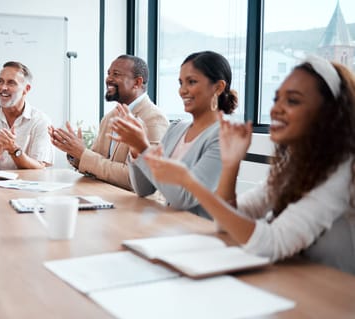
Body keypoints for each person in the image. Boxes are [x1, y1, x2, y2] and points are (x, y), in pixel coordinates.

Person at [144, 55, 355, 274]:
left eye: (292, 100)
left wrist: (189, 182)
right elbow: (224, 222)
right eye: (276, 99)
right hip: (300, 280)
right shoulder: (294, 166)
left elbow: (271, 243)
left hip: (336, 294)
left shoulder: (342, 171)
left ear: (328, 114)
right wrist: (230, 165)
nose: (276, 110)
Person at [110, 51, 238, 217]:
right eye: (180, 83)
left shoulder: (224, 137)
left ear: (218, 87)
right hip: (171, 228)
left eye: (191, 82)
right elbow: (144, 189)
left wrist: (143, 148)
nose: (182, 91)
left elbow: (183, 199)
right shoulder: (176, 128)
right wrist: (135, 150)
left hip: (202, 233)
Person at [48, 54, 168, 190]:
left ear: (137, 83)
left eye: (116, 74)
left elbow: (138, 180)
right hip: (104, 197)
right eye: (108, 73)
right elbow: (95, 163)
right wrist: (74, 152)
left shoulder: (154, 119)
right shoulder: (109, 117)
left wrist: (83, 154)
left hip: (133, 206)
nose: (109, 79)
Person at [0, 61, 53, 170]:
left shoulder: (41, 121)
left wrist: (14, 150)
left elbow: (39, 167)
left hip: (25, 186)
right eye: (0, 81)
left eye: (11, 83)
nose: (3, 87)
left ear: (26, 89)